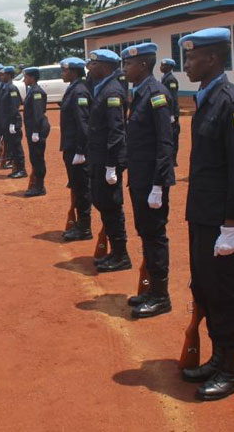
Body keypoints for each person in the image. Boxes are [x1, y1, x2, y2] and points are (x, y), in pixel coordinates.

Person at [177, 28, 234, 401]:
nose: (187, 64)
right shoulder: (206, 99)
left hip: (224, 223)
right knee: (207, 290)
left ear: (212, 58)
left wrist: (231, 226)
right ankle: (217, 357)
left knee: (228, 294)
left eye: (192, 57)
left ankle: (232, 370)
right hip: (203, 218)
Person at [122, 42, 175, 319]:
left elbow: (165, 143)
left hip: (152, 182)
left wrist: (158, 184)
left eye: (128, 64)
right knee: (146, 234)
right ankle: (153, 289)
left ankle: (161, 296)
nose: (125, 69)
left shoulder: (156, 94)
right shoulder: (140, 93)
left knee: (155, 237)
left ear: (143, 65)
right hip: (140, 179)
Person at [86, 50, 130, 273]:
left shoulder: (112, 91)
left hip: (107, 160)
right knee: (103, 204)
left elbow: (116, 130)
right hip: (99, 158)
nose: (89, 68)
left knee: (112, 206)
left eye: (93, 65)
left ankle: (121, 255)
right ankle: (115, 251)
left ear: (104, 66)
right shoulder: (102, 88)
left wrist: (112, 164)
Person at [59, 57, 93, 242]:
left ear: (74, 72)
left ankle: (84, 227)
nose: (62, 74)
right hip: (72, 147)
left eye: (65, 71)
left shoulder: (79, 91)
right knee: (77, 186)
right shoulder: (74, 87)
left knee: (82, 188)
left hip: (77, 149)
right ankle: (81, 224)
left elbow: (83, 124)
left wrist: (81, 150)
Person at [22, 66, 49, 197]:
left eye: (26, 77)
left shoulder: (37, 92)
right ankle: (38, 185)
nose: (24, 80)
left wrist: (36, 132)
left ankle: (39, 187)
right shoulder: (31, 90)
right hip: (33, 129)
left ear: (32, 78)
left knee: (37, 158)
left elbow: (38, 114)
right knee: (34, 157)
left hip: (36, 130)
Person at [0, 65, 26, 178]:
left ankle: (21, 169)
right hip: (6, 122)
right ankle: (16, 168)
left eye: (3, 75)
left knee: (16, 146)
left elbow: (15, 106)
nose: (1, 76)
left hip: (12, 122)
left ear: (9, 76)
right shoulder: (5, 87)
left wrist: (13, 123)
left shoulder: (12, 88)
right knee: (12, 147)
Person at [160, 58, 181, 166]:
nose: (161, 67)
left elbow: (173, 97)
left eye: (163, 65)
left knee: (173, 135)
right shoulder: (165, 78)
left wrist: (172, 114)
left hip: (172, 113)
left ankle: (173, 159)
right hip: (168, 112)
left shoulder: (171, 80)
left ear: (169, 67)